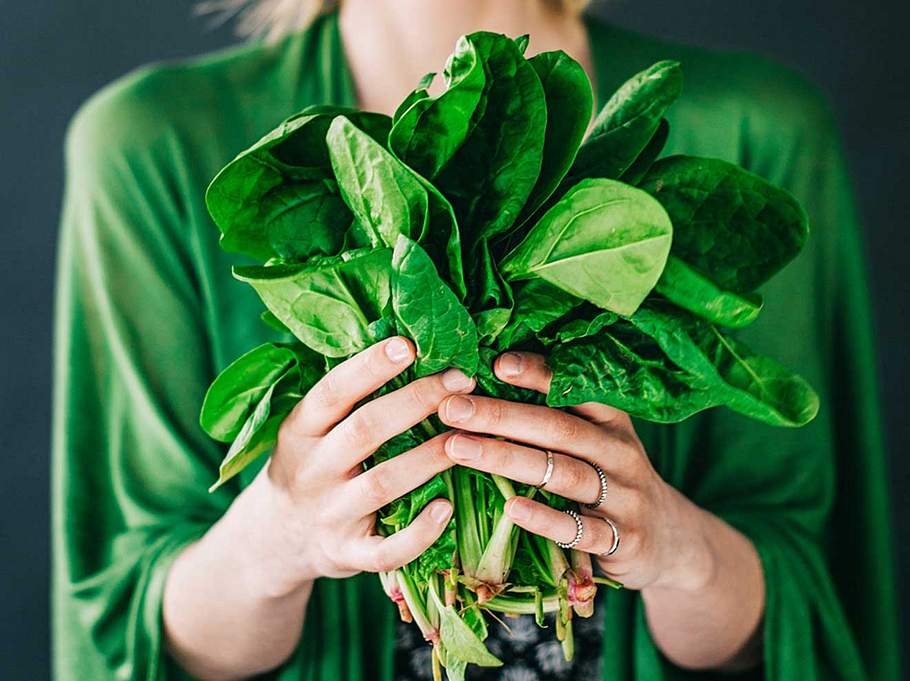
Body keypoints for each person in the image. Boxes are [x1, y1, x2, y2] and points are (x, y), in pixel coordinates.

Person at [52, 1, 899, 679]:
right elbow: (135, 630)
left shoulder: (760, 126)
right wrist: (281, 536)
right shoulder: (149, 145)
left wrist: (674, 549)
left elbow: (808, 607)